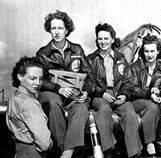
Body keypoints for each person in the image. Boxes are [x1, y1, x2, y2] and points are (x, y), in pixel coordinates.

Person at [36, 10, 92, 158]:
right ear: (49, 30)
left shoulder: (77, 49)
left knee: (82, 106)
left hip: (74, 97)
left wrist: (85, 91)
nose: (57, 32)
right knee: (52, 102)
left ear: (67, 30)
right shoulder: (42, 54)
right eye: (53, 28)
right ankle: (62, 147)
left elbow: (90, 76)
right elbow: (38, 80)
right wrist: (58, 89)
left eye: (60, 28)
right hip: (54, 94)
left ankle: (68, 151)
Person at [83, 23, 143, 158]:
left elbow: (128, 81)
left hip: (118, 95)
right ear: (97, 40)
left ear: (112, 39)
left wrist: (125, 95)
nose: (103, 42)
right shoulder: (91, 59)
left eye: (106, 38)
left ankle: (134, 153)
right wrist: (101, 93)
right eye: (100, 39)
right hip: (100, 97)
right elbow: (88, 82)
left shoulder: (121, 58)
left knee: (130, 113)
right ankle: (108, 150)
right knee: (104, 110)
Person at [130, 33, 161, 157]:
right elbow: (132, 88)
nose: (149, 54)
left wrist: (159, 93)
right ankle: (150, 143)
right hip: (137, 101)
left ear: (158, 51)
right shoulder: (135, 67)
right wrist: (149, 94)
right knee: (151, 107)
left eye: (152, 51)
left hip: (154, 99)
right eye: (146, 51)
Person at [6, 56, 53, 158]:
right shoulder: (29, 103)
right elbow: (44, 144)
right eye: (32, 78)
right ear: (20, 77)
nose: (37, 83)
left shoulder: (14, 98)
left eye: (40, 79)